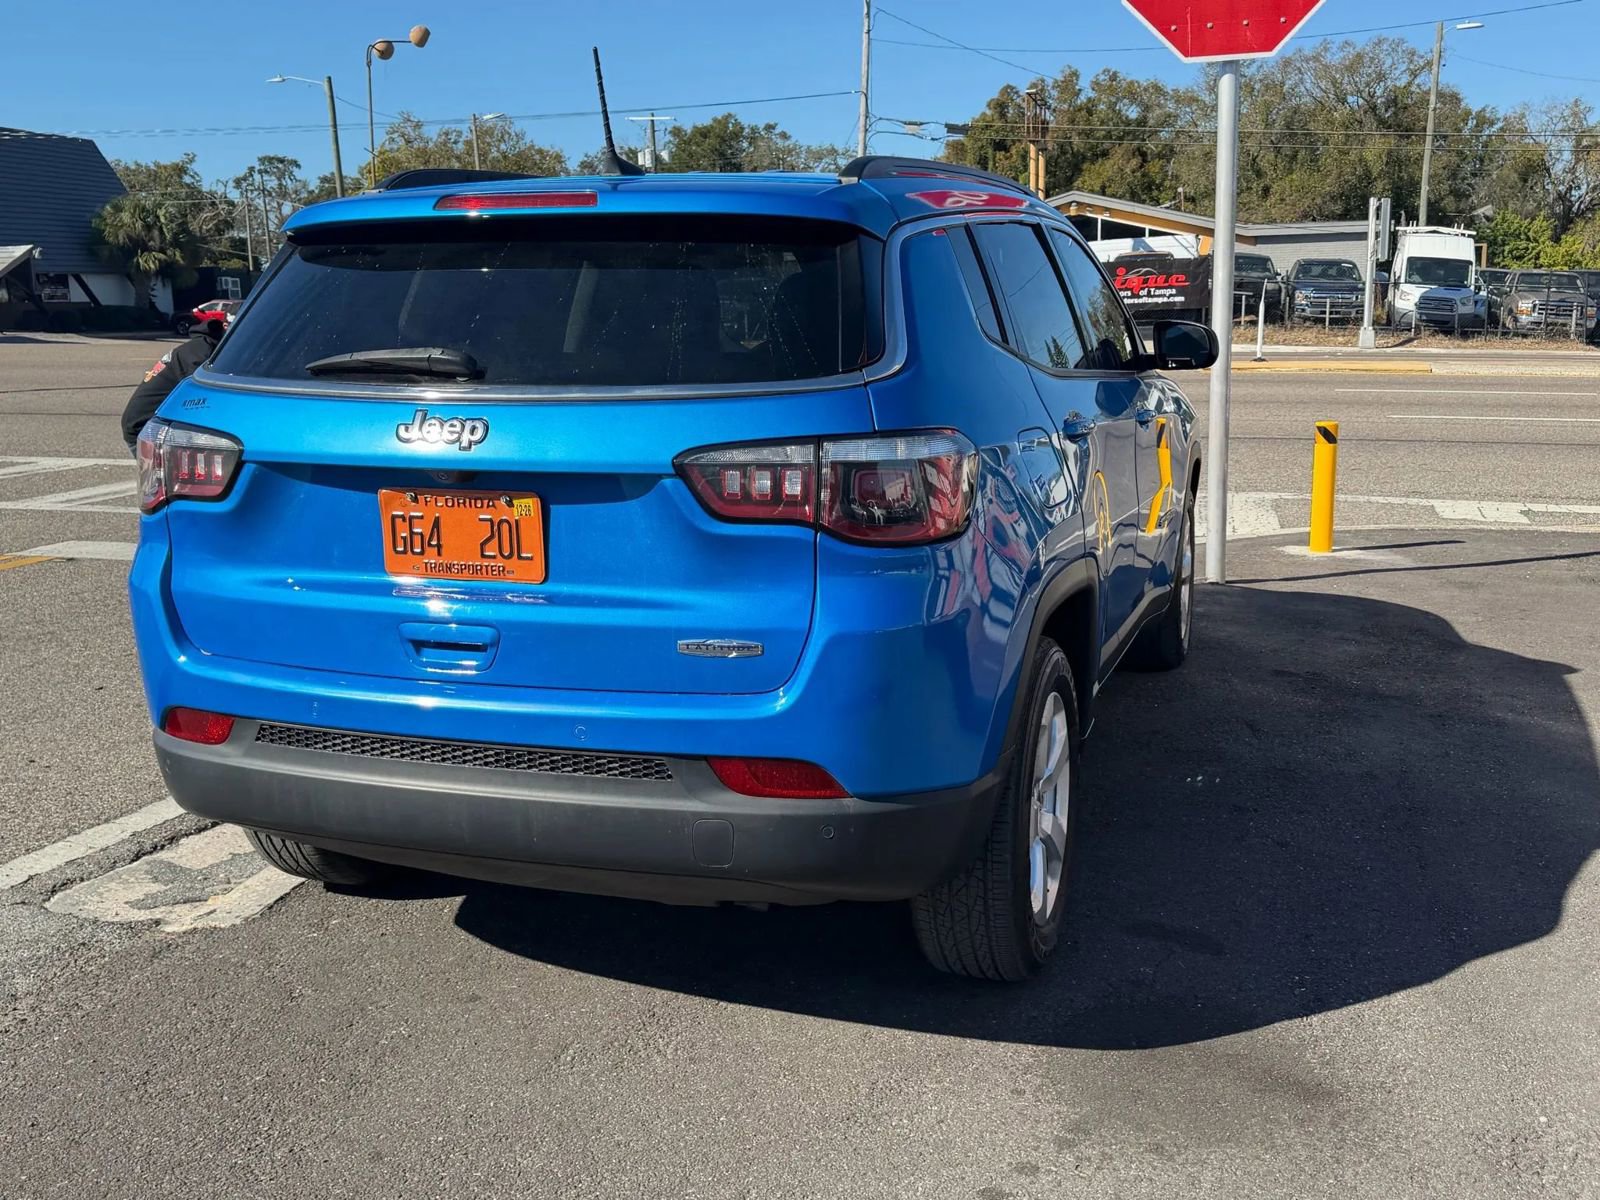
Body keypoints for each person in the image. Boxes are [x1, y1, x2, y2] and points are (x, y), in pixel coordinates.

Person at [120, 320, 223, 450]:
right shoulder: (200, 353)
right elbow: (204, 398)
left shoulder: (200, 345)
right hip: (145, 428)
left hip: (150, 422)